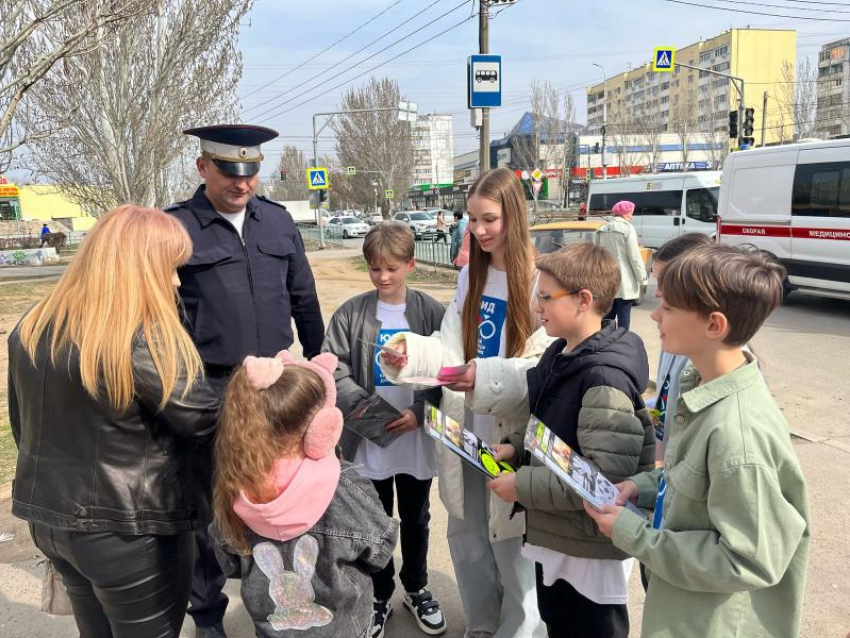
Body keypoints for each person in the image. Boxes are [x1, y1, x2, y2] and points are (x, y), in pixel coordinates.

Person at [7, 205, 220, 638]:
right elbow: (205, 423)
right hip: (131, 530)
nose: (177, 281)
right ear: (138, 267)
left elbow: (23, 424)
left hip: (53, 520)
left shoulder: (31, 326)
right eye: (170, 268)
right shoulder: (141, 336)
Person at [584, 245, 811, 638]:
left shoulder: (737, 435)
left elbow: (749, 561)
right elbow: (690, 481)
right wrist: (639, 487)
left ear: (714, 325)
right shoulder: (703, 385)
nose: (654, 314)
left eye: (668, 307)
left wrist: (633, 534)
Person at [166, 124, 325, 638]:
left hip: (275, 389)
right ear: (202, 167)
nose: (242, 183)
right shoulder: (178, 229)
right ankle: (207, 614)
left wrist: (321, 365)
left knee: (276, 497)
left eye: (251, 172)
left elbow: (304, 297)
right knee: (209, 503)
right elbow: (166, 316)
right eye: (230, 172)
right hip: (210, 389)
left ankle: (274, 604)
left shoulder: (278, 223)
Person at [381, 167, 550, 638]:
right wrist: (410, 352)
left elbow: (538, 366)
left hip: (508, 439)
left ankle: (520, 630)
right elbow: (449, 347)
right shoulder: (469, 278)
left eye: (489, 219)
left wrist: (479, 376)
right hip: (464, 429)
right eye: (472, 219)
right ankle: (481, 623)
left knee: (512, 539)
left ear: (513, 215)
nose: (478, 230)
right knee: (469, 530)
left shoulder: (540, 282)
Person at [486, 243, 655, 638]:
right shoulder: (562, 353)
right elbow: (552, 427)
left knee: (589, 626)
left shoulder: (603, 379)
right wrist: (516, 445)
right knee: (558, 619)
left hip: (588, 546)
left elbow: (600, 482)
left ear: (584, 301)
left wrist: (521, 485)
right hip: (561, 534)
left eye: (546, 297)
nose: (537, 306)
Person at [212, 351, 399, 638]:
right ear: (323, 429)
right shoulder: (344, 486)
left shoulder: (233, 486)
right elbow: (379, 552)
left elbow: (229, 564)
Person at [322, 222, 446, 637]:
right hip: (368, 439)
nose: (384, 277)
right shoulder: (351, 313)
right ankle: (379, 594)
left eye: (392, 267)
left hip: (414, 438)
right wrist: (370, 414)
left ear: (411, 263)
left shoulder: (431, 311)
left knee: (416, 517)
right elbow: (333, 368)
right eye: (375, 269)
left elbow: (448, 368)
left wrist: (420, 410)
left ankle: (416, 587)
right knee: (374, 521)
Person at [645, 233, 714, 466]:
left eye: (664, 280)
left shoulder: (706, 357)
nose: (655, 293)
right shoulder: (674, 336)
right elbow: (665, 397)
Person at [596, 200, 647, 331]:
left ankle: (604, 341)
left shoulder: (602, 229)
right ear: (625, 214)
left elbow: (597, 255)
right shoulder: (628, 229)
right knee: (624, 314)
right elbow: (634, 257)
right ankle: (622, 341)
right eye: (631, 213)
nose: (632, 216)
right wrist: (642, 279)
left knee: (608, 315)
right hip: (625, 280)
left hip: (606, 278)